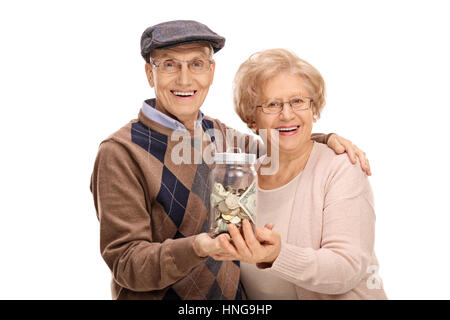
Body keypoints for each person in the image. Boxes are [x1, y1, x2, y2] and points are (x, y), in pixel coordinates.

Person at [90, 20, 371, 300]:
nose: (185, 79)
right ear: (150, 74)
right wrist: (197, 248)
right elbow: (126, 263)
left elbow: (278, 143)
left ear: (211, 72)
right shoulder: (121, 152)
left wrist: (325, 139)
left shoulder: (221, 136)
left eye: (197, 64)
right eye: (169, 65)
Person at [213, 48, 387, 299]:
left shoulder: (341, 169)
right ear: (252, 118)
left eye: (298, 101)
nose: (287, 114)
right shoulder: (239, 179)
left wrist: (277, 255)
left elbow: (347, 268)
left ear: (313, 109)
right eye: (272, 104)